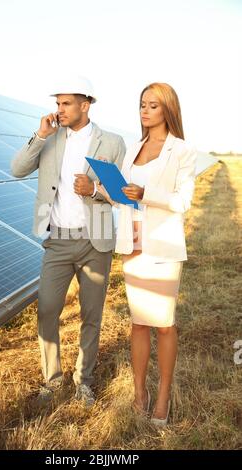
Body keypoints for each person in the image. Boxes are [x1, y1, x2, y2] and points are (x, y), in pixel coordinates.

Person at [11, 76, 126, 407]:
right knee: (47, 309)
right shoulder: (49, 138)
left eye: (65, 103)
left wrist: (94, 190)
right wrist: (39, 136)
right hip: (58, 240)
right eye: (57, 103)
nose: (58, 109)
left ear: (84, 106)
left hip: (96, 242)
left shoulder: (112, 142)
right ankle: (52, 379)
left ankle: (84, 381)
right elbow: (17, 168)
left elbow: (119, 196)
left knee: (92, 314)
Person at [99, 82, 197, 426]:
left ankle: (164, 394)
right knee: (139, 322)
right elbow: (124, 197)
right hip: (133, 245)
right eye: (142, 104)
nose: (145, 110)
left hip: (163, 246)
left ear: (167, 109)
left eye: (153, 105)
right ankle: (140, 391)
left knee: (164, 325)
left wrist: (147, 192)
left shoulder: (182, 150)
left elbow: (182, 201)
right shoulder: (133, 148)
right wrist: (102, 186)